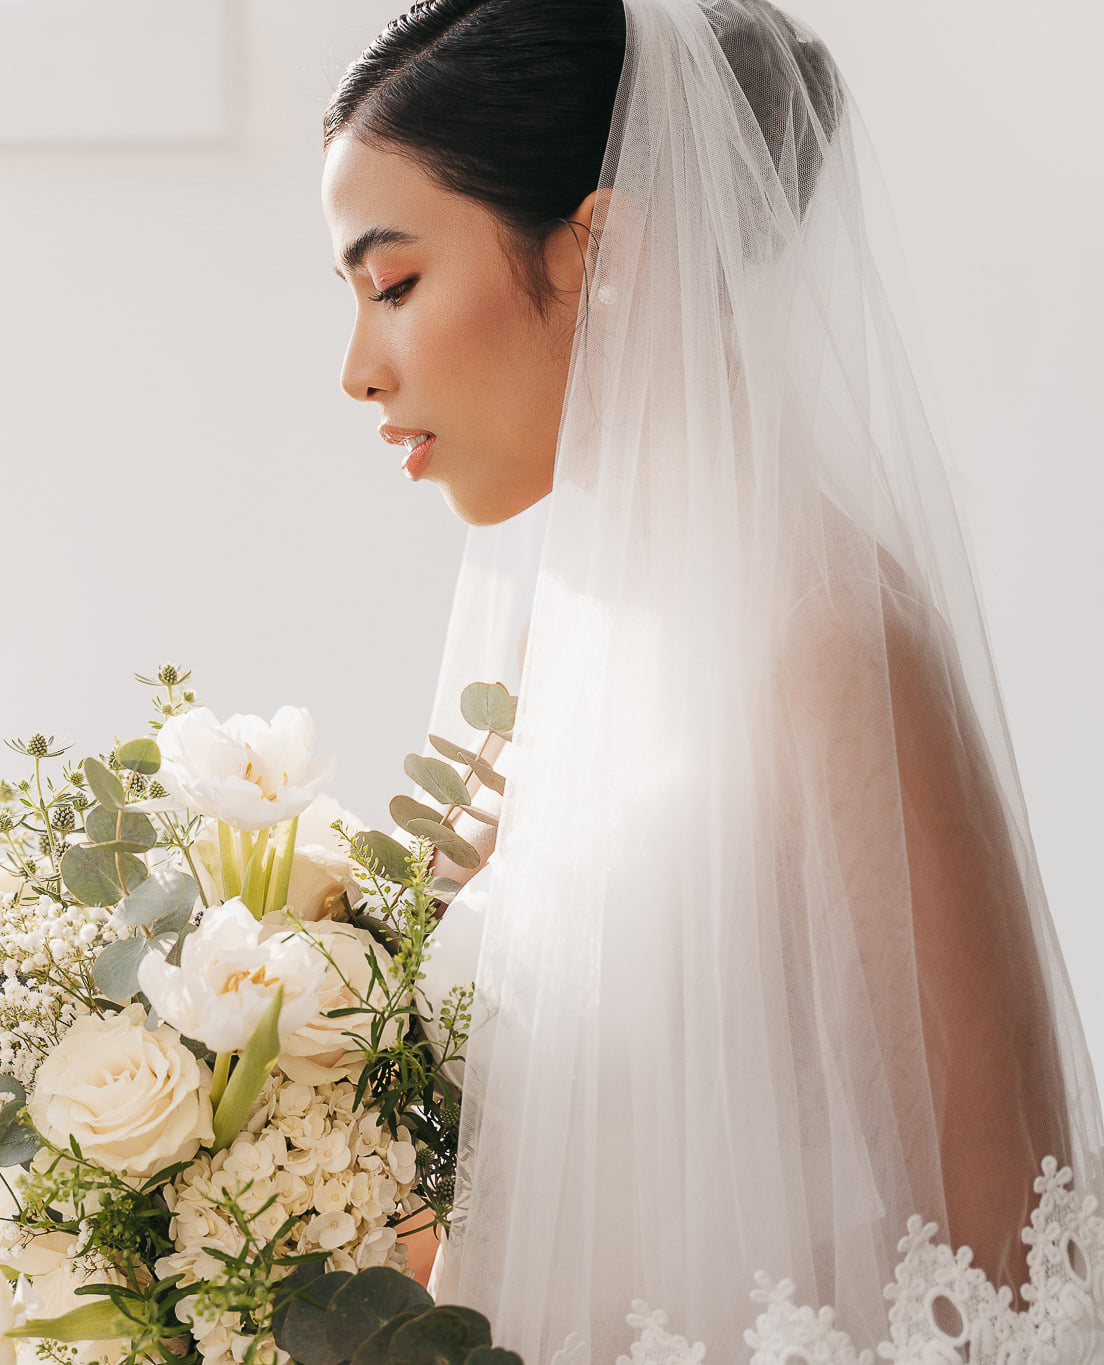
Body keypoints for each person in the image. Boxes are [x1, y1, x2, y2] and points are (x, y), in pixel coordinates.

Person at [321, 0, 1104, 1359]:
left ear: (607, 249)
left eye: (392, 286)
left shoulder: (824, 641)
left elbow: (1016, 1275)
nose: (357, 371)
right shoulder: (580, 638)